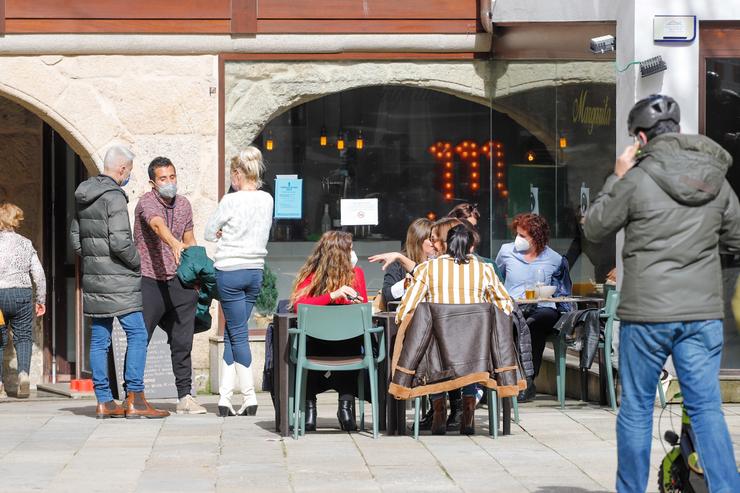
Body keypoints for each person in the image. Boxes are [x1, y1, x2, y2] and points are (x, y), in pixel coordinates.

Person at [584, 94, 740, 493]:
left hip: (648, 316)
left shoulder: (635, 180)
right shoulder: (715, 181)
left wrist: (617, 174)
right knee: (706, 409)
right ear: (678, 130)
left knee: (636, 409)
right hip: (702, 315)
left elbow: (596, 228)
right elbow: (736, 240)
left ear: (640, 138)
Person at [70, 146, 168, 419]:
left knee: (100, 337)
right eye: (129, 172)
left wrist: (95, 261)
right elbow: (120, 241)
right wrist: (137, 261)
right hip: (120, 278)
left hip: (95, 278)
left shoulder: (84, 194)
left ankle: (104, 401)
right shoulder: (114, 197)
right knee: (137, 333)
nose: (128, 177)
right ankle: (135, 398)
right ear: (122, 169)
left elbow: (76, 238)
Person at [396, 223, 514, 435]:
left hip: (438, 352)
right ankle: (468, 409)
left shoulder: (427, 269)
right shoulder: (484, 270)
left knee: (430, 341)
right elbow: (505, 305)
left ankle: (439, 409)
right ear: (470, 247)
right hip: (475, 352)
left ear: (445, 245)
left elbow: (408, 307)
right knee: (472, 347)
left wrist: (400, 320)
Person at [205, 146, 273, 417]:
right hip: (255, 270)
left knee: (237, 333)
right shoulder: (267, 199)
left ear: (236, 174)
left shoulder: (229, 200)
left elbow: (209, 232)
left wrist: (223, 232)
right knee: (236, 332)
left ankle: (248, 396)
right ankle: (223, 397)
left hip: (230, 272)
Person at [134, 156, 204, 414]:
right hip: (149, 279)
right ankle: (133, 394)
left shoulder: (184, 204)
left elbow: (190, 238)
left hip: (179, 281)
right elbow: (156, 224)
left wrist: (196, 269)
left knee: (183, 341)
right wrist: (173, 244)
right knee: (140, 338)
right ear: (153, 182)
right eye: (163, 178)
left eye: (172, 177)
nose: (169, 182)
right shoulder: (146, 202)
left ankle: (185, 396)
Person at [289, 230, 368, 432]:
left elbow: (364, 309)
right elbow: (299, 305)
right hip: (319, 344)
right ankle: (314, 409)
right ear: (340, 254)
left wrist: (356, 300)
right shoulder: (311, 276)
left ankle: (344, 407)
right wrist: (334, 295)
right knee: (329, 344)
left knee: (350, 342)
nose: (354, 252)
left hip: (344, 344)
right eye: (350, 249)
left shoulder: (356, 274)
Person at [495, 213, 572, 402]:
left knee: (533, 323)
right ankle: (505, 380)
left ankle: (528, 381)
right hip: (514, 307)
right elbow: (497, 276)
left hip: (543, 307)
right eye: (518, 234)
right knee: (515, 322)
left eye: (523, 236)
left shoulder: (554, 259)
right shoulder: (506, 251)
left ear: (536, 237)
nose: (518, 239)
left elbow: (561, 289)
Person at [0, 202, 46, 399]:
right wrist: (40, 299)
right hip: (22, 295)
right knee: (24, 337)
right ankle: (24, 375)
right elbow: (39, 274)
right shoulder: (26, 243)